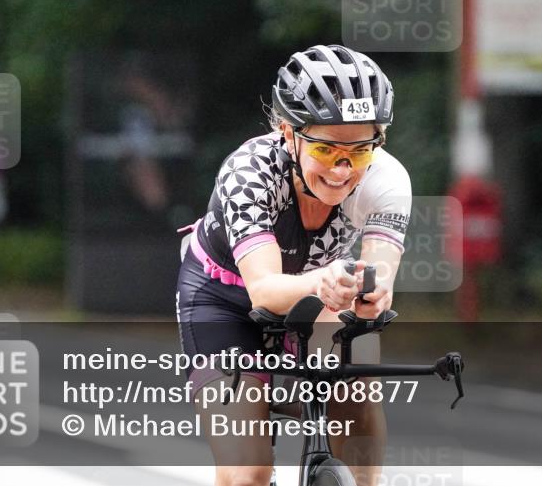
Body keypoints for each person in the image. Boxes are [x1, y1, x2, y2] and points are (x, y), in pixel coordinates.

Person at [176, 44, 411, 486]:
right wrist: (323, 281)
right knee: (247, 472)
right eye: (325, 149)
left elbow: (378, 284)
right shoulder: (249, 173)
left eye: (360, 151)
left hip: (322, 295)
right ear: (288, 133)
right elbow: (264, 290)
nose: (342, 170)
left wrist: (371, 296)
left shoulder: (387, 179)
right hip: (225, 300)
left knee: (358, 392)